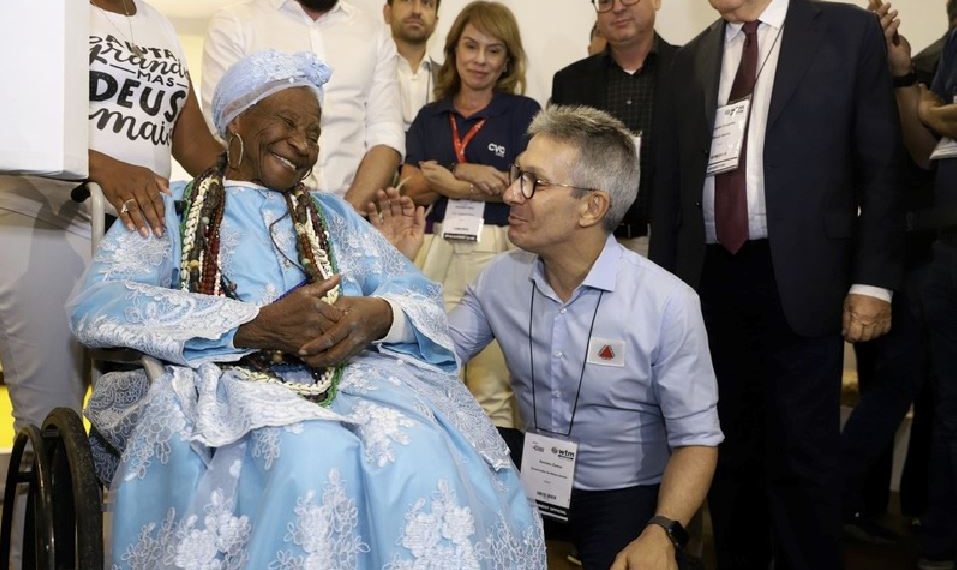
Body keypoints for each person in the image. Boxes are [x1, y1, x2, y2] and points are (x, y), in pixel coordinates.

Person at [70, 49, 545, 569]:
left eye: (314, 132)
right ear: (235, 123)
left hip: (350, 377)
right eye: (288, 122)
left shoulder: (332, 214)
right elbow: (101, 304)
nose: (303, 143)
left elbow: (416, 294)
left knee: (419, 451)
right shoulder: (171, 207)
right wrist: (252, 326)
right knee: (314, 455)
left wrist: (378, 316)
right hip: (224, 384)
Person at [371, 105, 722, 570]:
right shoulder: (500, 279)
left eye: (533, 182)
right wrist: (394, 267)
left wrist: (663, 530)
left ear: (592, 207)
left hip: (622, 491)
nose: (512, 193)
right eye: (517, 174)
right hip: (531, 470)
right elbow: (428, 360)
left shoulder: (667, 302)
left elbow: (697, 439)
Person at [649, 0, 904, 568]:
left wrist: (874, 281)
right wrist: (662, 299)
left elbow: (881, 164)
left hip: (805, 275)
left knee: (802, 457)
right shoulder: (690, 59)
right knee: (726, 455)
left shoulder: (844, 31)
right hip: (709, 281)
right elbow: (668, 189)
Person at [0, 0, 221, 431]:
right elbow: (13, 119)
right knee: (51, 419)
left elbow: (193, 143)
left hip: (136, 240)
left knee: (136, 410)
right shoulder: (36, 10)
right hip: (46, 224)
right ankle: (45, 499)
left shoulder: (158, 24)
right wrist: (100, 165)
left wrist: (258, 173)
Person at [402, 1, 540, 438]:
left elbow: (522, 184)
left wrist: (445, 175)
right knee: (433, 369)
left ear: (507, 60)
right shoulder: (430, 116)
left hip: (499, 248)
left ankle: (494, 493)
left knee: (492, 382)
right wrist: (469, 175)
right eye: (471, 46)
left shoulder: (523, 112)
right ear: (454, 49)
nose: (480, 60)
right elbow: (410, 187)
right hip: (435, 244)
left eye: (493, 50)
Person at [872, 2, 957, 566]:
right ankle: (939, 545)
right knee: (948, 411)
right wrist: (904, 77)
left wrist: (933, 108)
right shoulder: (947, 49)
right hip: (943, 249)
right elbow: (924, 152)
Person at [202, 0, 404, 210]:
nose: (301, 144)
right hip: (255, 214)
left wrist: (344, 221)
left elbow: (386, 134)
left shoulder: (374, 33)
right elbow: (224, 124)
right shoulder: (236, 22)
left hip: (354, 213)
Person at [551, 0, 677, 257]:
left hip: (667, 244)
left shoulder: (690, 69)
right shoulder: (570, 83)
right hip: (590, 244)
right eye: (606, 1)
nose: (618, 8)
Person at [383, 0, 441, 132]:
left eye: (427, 3)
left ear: (436, 22)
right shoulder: (365, 75)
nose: (416, 10)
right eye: (407, 1)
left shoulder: (453, 81)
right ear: (387, 13)